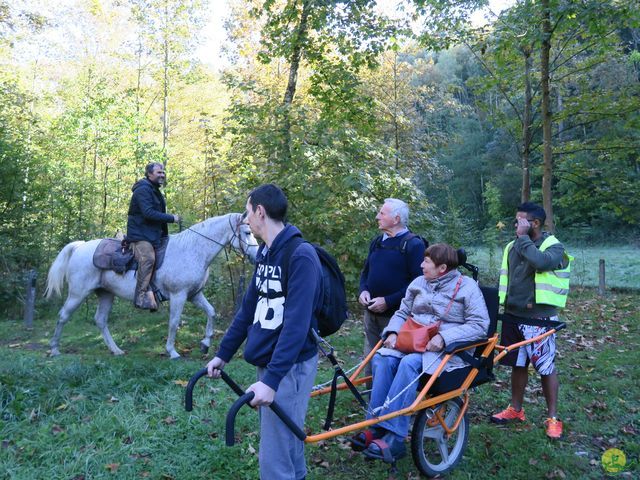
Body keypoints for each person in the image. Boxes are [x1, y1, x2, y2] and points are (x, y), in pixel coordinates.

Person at [205, 184, 322, 480]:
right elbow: (248, 309)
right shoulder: (266, 254)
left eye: (247, 212)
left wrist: (272, 379)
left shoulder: (300, 255)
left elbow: (297, 324)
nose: (246, 219)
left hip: (289, 368)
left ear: (260, 211)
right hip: (271, 363)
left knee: (273, 456)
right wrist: (223, 354)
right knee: (285, 440)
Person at [352, 243, 489, 462]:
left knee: (409, 364)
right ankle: (375, 426)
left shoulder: (467, 287)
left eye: (426, 262)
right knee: (383, 359)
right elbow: (402, 311)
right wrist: (393, 332)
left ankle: (395, 438)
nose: (421, 265)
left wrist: (445, 337)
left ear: (442, 267)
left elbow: (480, 325)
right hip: (413, 341)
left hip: (448, 351)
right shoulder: (418, 282)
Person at [490, 202, 572, 439]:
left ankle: (553, 418)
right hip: (513, 315)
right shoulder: (511, 246)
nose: (516, 224)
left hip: (540, 318)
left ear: (535, 223)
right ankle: (516, 410)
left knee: (545, 367)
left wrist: (523, 238)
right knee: (517, 364)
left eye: (521, 221)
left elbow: (542, 262)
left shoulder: (553, 246)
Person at [358, 198, 426, 372]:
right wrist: (363, 290)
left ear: (396, 219)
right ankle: (370, 398)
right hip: (370, 314)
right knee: (370, 360)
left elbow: (418, 284)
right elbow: (366, 272)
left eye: (382, 213)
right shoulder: (377, 242)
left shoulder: (414, 245)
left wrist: (388, 301)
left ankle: (390, 399)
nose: (377, 216)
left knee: (390, 361)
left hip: (396, 318)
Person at [126, 162, 181, 310]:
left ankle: (158, 292)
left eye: (163, 172)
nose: (162, 175)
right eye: (159, 172)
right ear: (149, 174)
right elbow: (148, 213)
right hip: (140, 235)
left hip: (153, 234)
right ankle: (140, 297)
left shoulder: (154, 189)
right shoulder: (143, 190)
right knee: (148, 258)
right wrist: (172, 218)